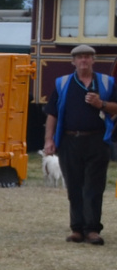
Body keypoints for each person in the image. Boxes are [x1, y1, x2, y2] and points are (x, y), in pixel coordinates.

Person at [41, 44, 115, 244]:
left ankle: (92, 230)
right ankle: (77, 229)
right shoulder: (63, 83)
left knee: (94, 186)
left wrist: (102, 104)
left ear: (93, 60)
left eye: (87, 57)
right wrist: (49, 140)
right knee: (74, 186)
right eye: (80, 57)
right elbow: (52, 113)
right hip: (69, 140)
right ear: (73, 62)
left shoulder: (107, 82)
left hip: (98, 140)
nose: (84, 61)